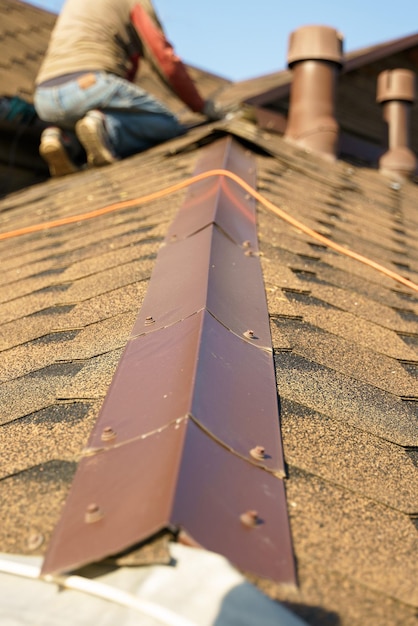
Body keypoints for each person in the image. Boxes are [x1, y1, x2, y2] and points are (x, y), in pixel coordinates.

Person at [34, 0, 226, 177]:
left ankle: (60, 139)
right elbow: (164, 59)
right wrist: (200, 105)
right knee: (168, 123)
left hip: (44, 97)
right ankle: (108, 129)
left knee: (82, 121)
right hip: (90, 84)